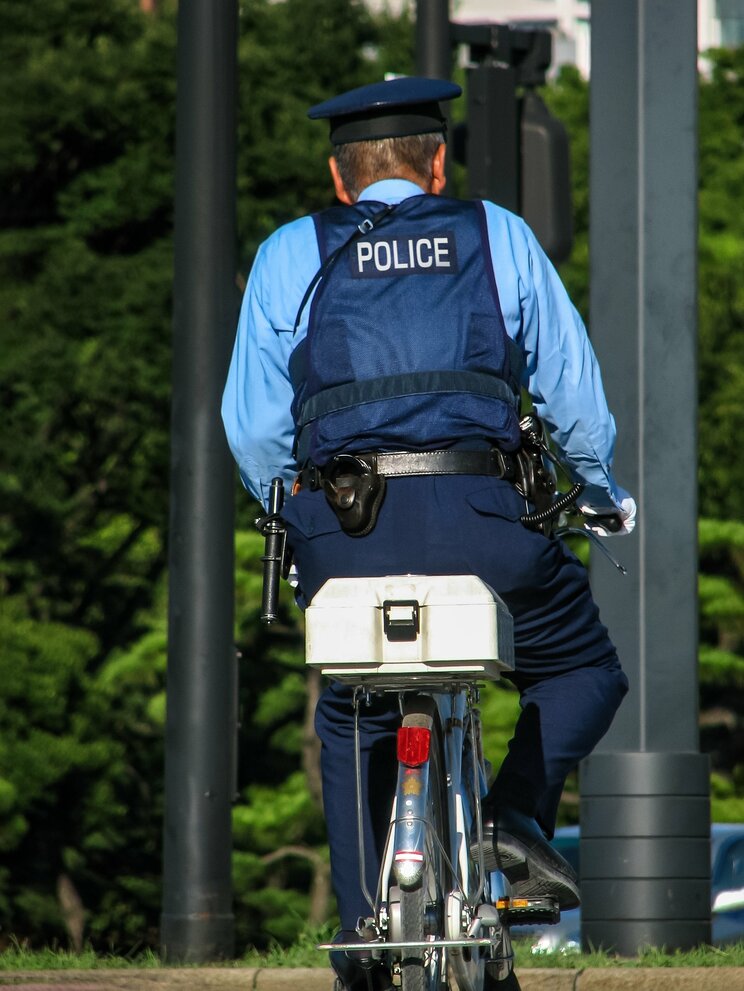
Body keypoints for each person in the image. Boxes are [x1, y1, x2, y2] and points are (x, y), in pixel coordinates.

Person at [222, 76, 635, 991]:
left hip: (343, 532)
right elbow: (572, 397)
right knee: (583, 669)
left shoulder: (290, 251)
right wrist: (602, 493)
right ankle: (511, 817)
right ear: (439, 164)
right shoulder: (498, 236)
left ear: (340, 178)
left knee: (349, 708)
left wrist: (293, 506)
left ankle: (360, 939)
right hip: (483, 523)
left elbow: (252, 429)